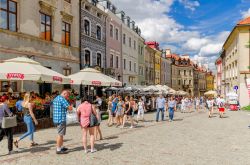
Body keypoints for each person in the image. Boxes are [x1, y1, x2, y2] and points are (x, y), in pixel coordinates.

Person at [52, 90, 73, 154]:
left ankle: (61, 147)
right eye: (67, 95)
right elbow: (69, 108)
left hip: (56, 118)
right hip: (61, 118)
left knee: (61, 134)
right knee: (60, 134)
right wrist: (71, 105)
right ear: (64, 93)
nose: (68, 97)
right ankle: (58, 149)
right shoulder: (62, 99)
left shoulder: (56, 98)